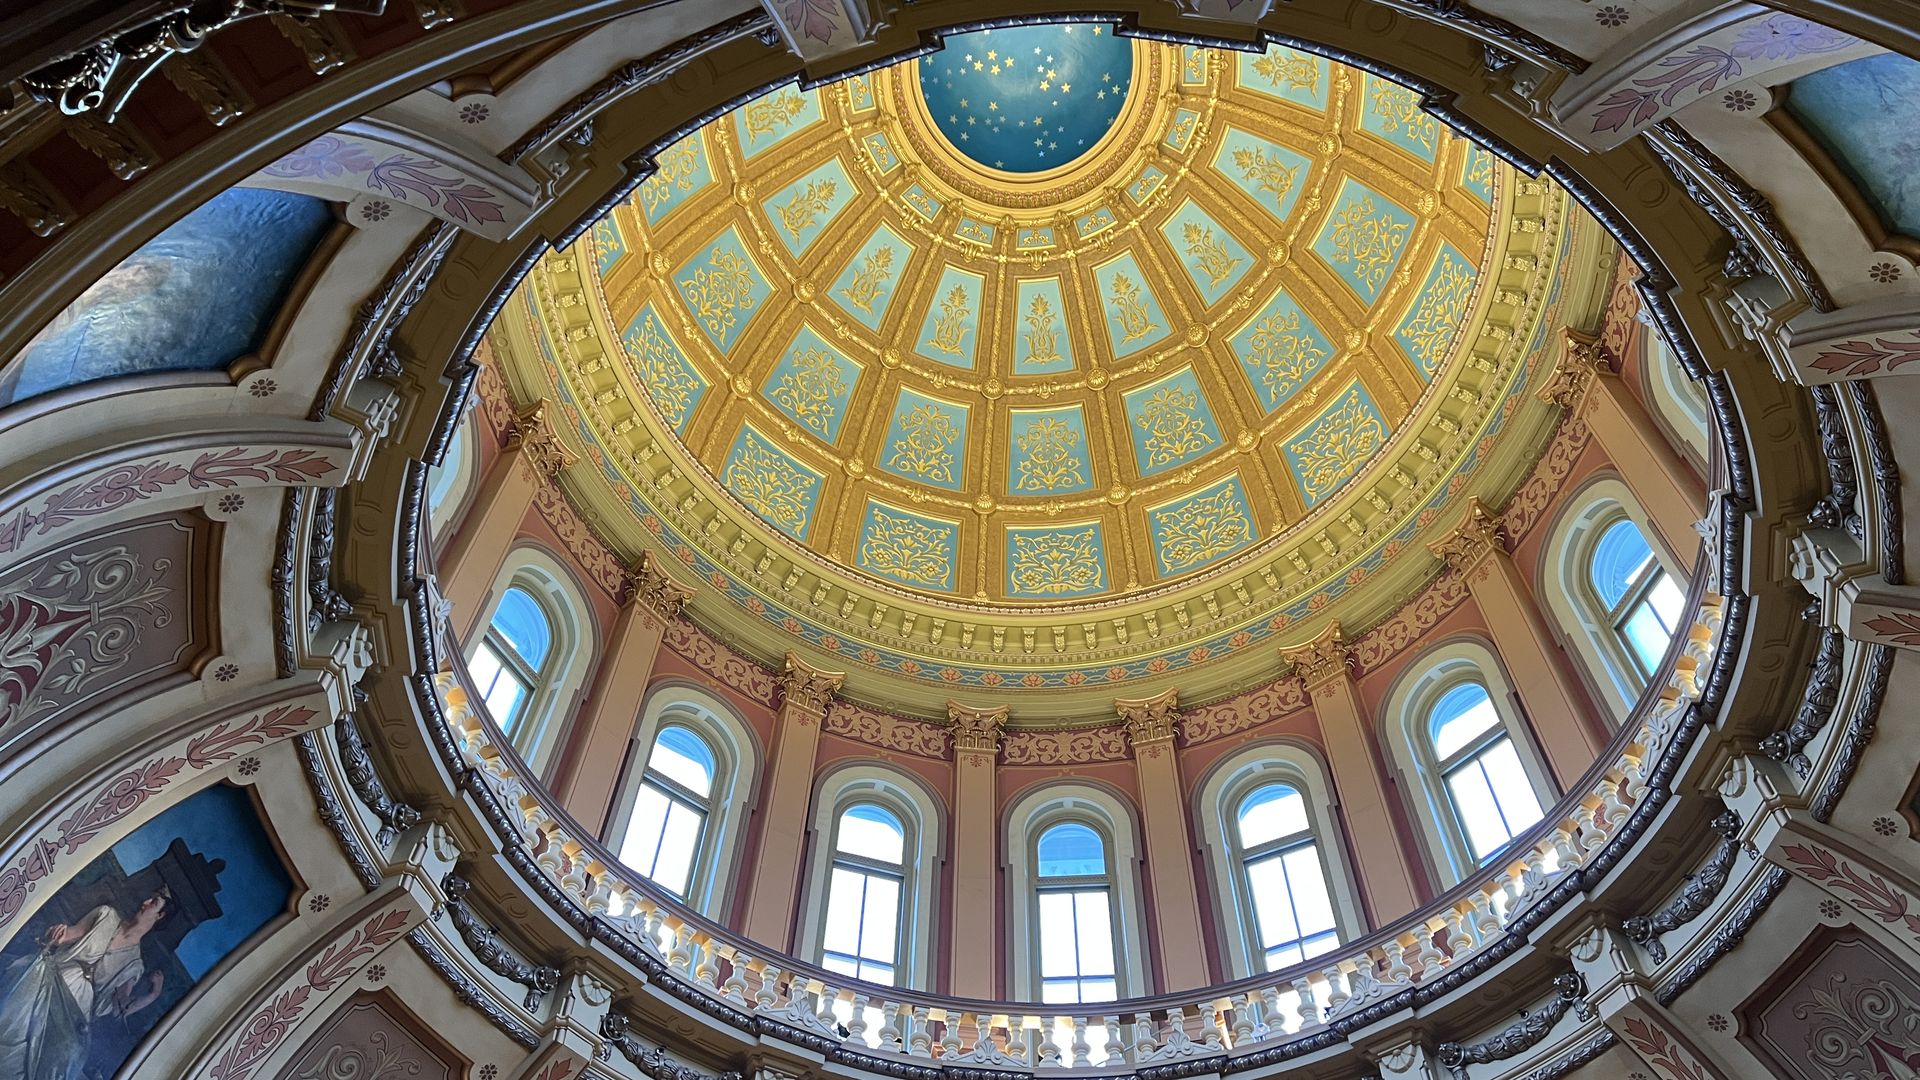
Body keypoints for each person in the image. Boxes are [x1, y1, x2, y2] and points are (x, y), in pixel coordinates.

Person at [0, 890, 171, 1080]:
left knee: (68, 1052)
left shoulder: (134, 964)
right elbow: (68, 935)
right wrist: (58, 935)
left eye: (153, 902)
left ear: (159, 916)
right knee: (17, 1005)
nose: (145, 901)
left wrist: (153, 994)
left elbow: (120, 1006)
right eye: (149, 897)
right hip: (52, 977)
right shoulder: (106, 915)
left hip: (75, 1010)